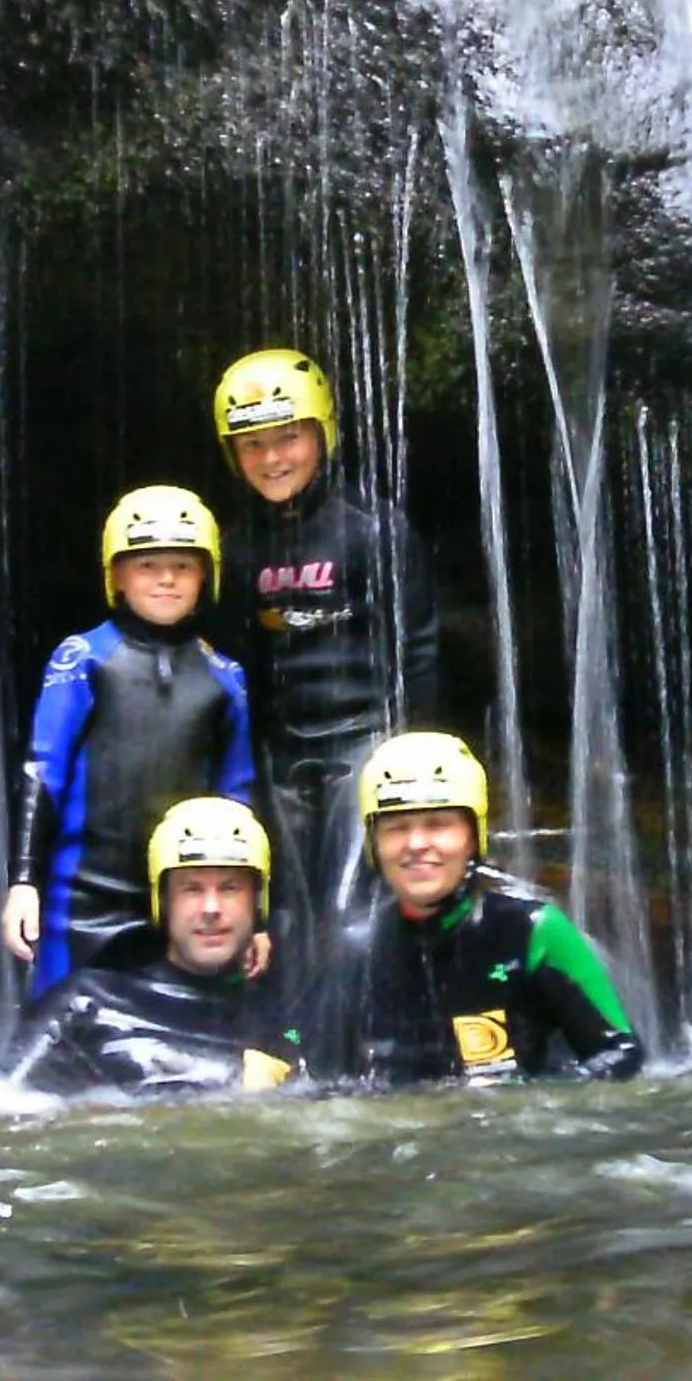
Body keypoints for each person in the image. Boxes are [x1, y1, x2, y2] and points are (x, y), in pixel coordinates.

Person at [213, 348, 441, 941]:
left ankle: (363, 1029)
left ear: (323, 432)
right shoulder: (234, 548)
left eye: (288, 438)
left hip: (362, 740)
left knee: (350, 910)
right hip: (280, 751)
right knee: (283, 911)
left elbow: (417, 648)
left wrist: (415, 759)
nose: (272, 458)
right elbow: (233, 662)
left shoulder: (374, 530)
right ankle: (289, 1031)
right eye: (253, 445)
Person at [3, 486, 254, 994]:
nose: (166, 579)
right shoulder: (82, 660)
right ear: (116, 575)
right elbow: (42, 771)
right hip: (82, 899)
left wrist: (258, 913)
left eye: (183, 566)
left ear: (207, 574)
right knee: (58, 1040)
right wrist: (24, 881)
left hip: (185, 901)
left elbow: (239, 797)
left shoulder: (225, 676)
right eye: (147, 565)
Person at [338, 730, 643, 1085]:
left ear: (472, 837)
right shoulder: (357, 948)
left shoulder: (534, 930)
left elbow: (621, 1051)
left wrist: (539, 1100)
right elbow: (306, 1058)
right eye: (397, 828)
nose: (417, 844)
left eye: (438, 824)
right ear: (375, 845)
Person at [4, 797, 304, 1094]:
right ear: (163, 901)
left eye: (229, 888)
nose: (211, 908)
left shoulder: (282, 1024)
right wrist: (227, 1078)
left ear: (257, 902)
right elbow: (0, 1113)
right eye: (192, 889)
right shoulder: (83, 1006)